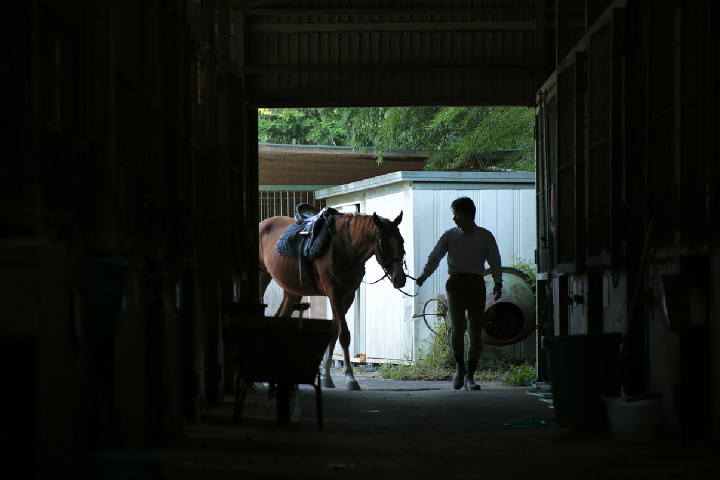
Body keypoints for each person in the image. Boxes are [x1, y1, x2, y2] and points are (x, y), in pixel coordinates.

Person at [416, 197, 502, 391]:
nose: (454, 218)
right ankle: (459, 369)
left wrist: (498, 283)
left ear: (468, 215)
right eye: (453, 214)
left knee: (475, 331)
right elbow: (435, 257)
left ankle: (470, 376)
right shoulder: (449, 236)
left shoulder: (485, 236)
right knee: (457, 327)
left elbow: (495, 261)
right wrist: (423, 276)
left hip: (476, 285)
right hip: (455, 285)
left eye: (456, 214)